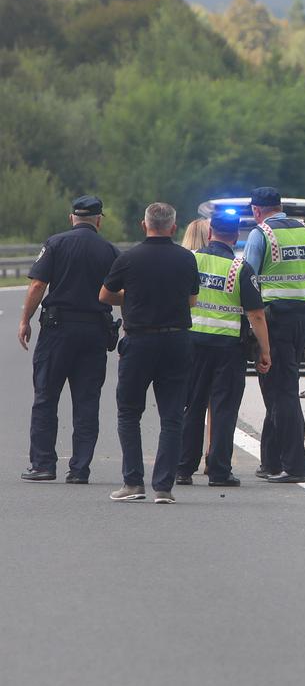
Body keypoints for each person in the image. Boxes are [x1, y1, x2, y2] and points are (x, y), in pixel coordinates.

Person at [99, 202, 199, 503]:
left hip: (139, 341)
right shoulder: (186, 259)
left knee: (129, 413)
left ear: (144, 225)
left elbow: (104, 295)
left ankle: (133, 483)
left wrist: (131, 298)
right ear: (173, 227)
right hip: (176, 341)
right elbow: (192, 301)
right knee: (172, 417)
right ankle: (164, 487)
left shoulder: (129, 258)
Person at [17, 195, 120, 483]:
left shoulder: (55, 244)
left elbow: (38, 284)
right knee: (87, 401)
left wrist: (25, 319)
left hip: (57, 331)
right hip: (94, 332)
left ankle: (43, 465)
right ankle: (79, 469)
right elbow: (123, 292)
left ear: (71, 217)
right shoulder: (110, 250)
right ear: (99, 220)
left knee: (46, 397)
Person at [242, 186, 305, 483]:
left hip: (273, 321)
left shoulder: (262, 234)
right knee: (278, 390)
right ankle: (270, 461)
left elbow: (246, 278)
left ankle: (295, 467)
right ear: (279, 206)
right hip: (300, 321)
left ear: (256, 210)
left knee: (282, 395)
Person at [177, 210, 271, 487]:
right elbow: (256, 315)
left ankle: (182, 469)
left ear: (209, 233)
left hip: (192, 344)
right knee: (223, 409)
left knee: (191, 405)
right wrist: (265, 350)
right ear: (236, 236)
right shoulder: (240, 268)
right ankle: (219, 471)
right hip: (228, 349)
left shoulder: (190, 260)